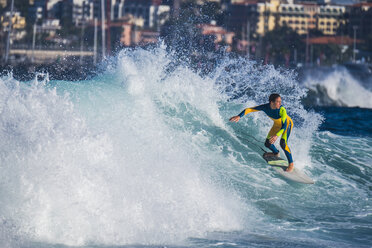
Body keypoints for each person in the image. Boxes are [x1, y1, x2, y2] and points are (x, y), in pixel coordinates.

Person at [229, 94, 294, 172]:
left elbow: (283, 126)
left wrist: (276, 135)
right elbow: (250, 109)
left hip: (287, 125)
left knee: (283, 143)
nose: (280, 103)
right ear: (271, 102)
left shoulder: (282, 109)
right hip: (277, 125)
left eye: (280, 101)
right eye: (278, 102)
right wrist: (239, 116)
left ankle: (291, 164)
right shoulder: (265, 107)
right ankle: (276, 153)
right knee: (268, 144)